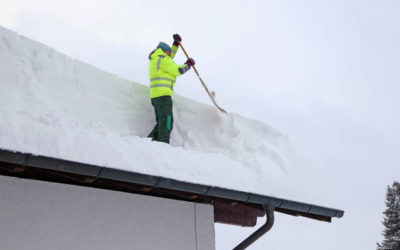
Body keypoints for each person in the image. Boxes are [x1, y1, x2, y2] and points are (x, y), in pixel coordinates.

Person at [147, 34, 195, 144]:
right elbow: (179, 70)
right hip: (163, 96)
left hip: (156, 96)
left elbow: (170, 57)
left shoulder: (156, 59)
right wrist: (188, 64)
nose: (170, 54)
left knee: (161, 122)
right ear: (164, 51)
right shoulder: (163, 60)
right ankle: (163, 145)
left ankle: (148, 143)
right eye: (168, 52)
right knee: (167, 123)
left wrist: (175, 45)